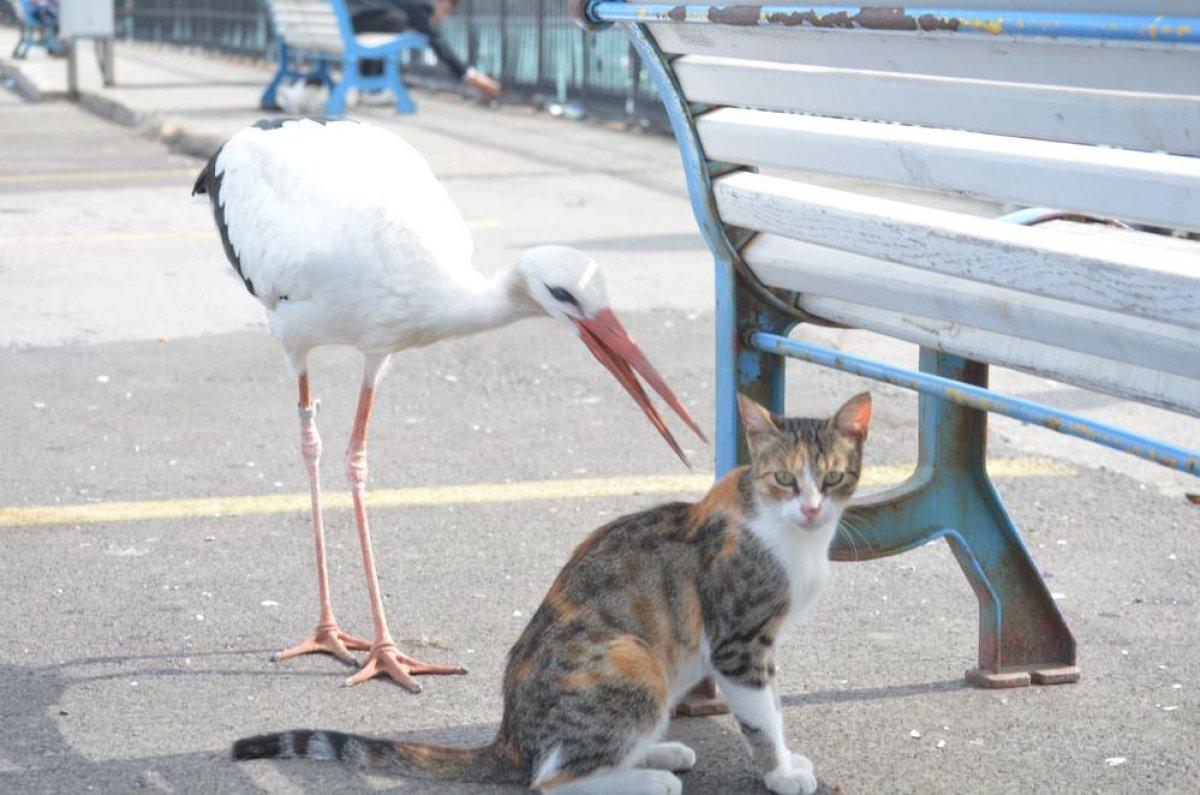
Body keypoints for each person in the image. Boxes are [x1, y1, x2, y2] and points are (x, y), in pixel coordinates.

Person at [349, 0, 501, 100]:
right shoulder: (420, 6)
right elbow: (436, 42)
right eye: (446, 11)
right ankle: (371, 89)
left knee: (394, 23)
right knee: (397, 20)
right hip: (353, 29)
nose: (441, 18)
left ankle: (369, 87)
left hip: (343, 26)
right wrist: (470, 75)